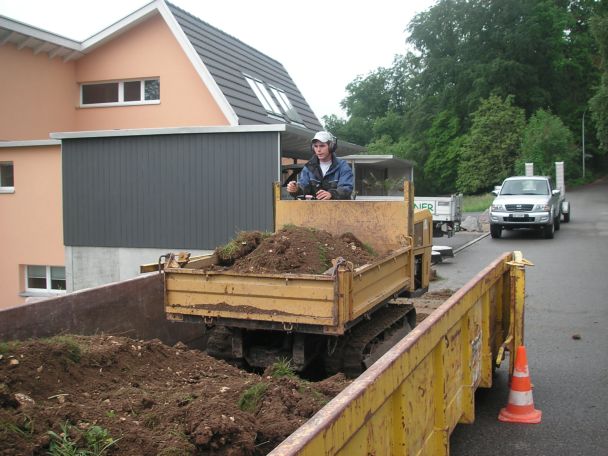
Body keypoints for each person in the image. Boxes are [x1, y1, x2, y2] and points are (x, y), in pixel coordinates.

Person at [286, 131, 354, 200]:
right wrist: (296, 189)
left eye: (322, 146)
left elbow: (346, 188)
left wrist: (332, 194)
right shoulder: (308, 167)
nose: (318, 150)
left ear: (331, 147)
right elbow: (303, 188)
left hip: (338, 209)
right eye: (316, 146)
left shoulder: (342, 166)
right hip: (315, 209)